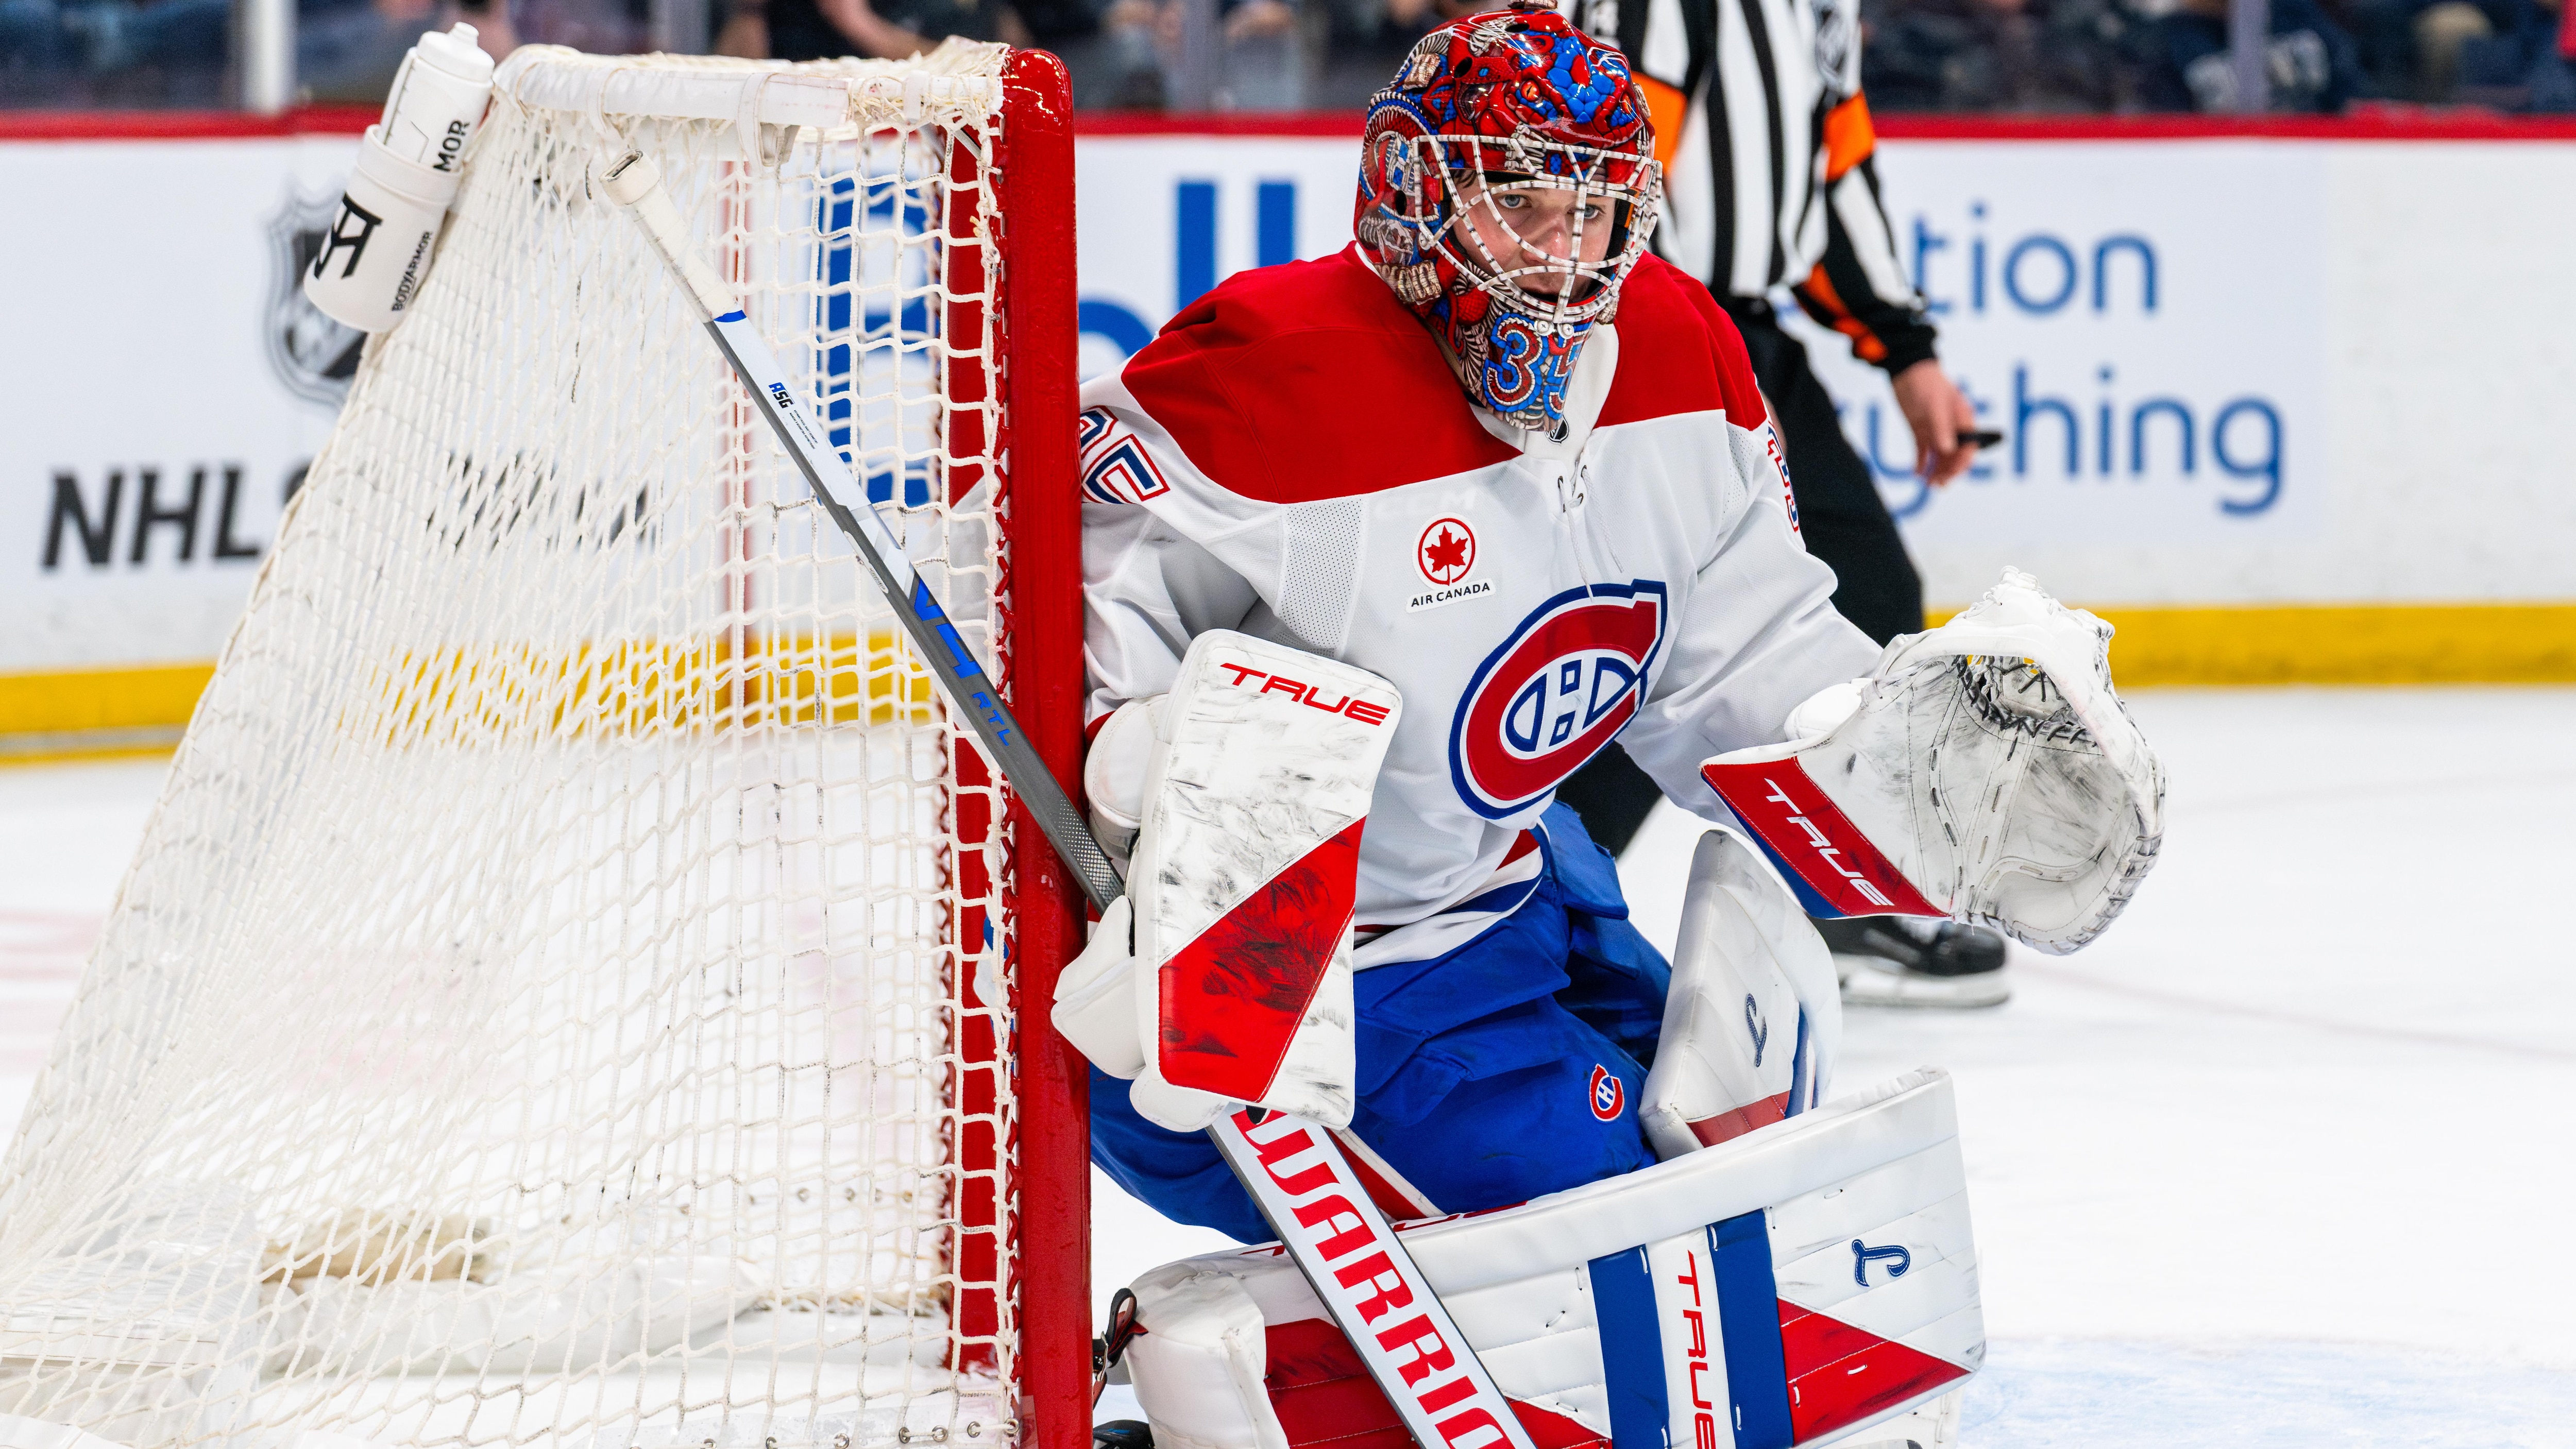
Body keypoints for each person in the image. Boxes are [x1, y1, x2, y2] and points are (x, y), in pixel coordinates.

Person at [1073, 1, 1884, 1240]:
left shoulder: (1678, 348)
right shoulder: (1271, 372)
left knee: (1744, 1158)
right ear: (1413, 196)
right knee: (1634, 1242)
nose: (1562, 259)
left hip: (1512, 886)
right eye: (1519, 206)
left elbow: (1749, 651)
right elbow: (1061, 611)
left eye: (1595, 212)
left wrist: (1884, 765)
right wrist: (1140, 794)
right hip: (1306, 984)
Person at [1553, 0, 2013, 1006]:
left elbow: (1833, 154)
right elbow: (1599, 163)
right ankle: (1530, 907)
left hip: (1742, 333)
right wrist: (1624, 339)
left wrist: (1905, 349)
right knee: (1658, 636)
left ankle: (1834, 901)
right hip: (1644, 334)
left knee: (1865, 586)